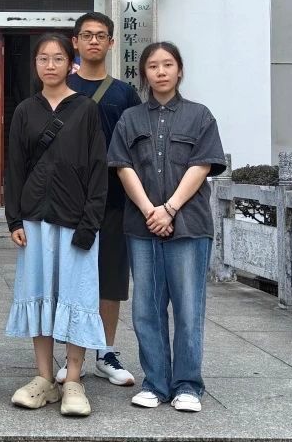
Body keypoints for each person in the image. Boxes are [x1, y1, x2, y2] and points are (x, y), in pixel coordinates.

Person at [107, 42, 225, 413]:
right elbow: (123, 167)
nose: (161, 71)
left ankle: (188, 385)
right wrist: (150, 211)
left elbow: (201, 165)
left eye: (168, 64)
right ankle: (155, 384)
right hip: (142, 226)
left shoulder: (199, 116)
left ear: (179, 70)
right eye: (153, 66)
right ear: (143, 73)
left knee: (188, 308)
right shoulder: (130, 119)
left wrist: (170, 209)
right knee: (146, 307)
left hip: (190, 225)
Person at [4, 32, 108, 417]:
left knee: (77, 297)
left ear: (71, 63)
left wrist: (90, 222)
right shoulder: (25, 111)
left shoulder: (86, 109)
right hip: (34, 220)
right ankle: (45, 378)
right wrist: (14, 218)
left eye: (58, 58)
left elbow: (98, 168)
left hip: (76, 219)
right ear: (35, 64)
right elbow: (14, 168)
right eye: (43, 59)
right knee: (40, 295)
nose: (50, 65)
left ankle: (74, 379)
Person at [57, 12, 141, 388]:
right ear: (75, 42)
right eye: (87, 35)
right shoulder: (60, 87)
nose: (93, 41)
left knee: (110, 279)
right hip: (68, 201)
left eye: (101, 35)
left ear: (111, 43)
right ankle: (71, 354)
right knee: (71, 279)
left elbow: (135, 147)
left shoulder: (125, 94)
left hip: (113, 200)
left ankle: (105, 352)